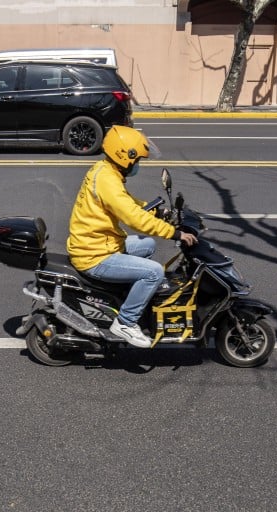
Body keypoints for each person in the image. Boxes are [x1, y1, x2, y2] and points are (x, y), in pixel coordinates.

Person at [66, 125, 197, 348]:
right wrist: (174, 233)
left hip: (98, 242)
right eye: (137, 161)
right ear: (126, 157)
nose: (138, 165)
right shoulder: (108, 180)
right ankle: (126, 322)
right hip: (95, 255)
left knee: (147, 245)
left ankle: (133, 298)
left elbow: (127, 204)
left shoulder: (106, 170)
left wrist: (157, 211)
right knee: (154, 272)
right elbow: (133, 218)